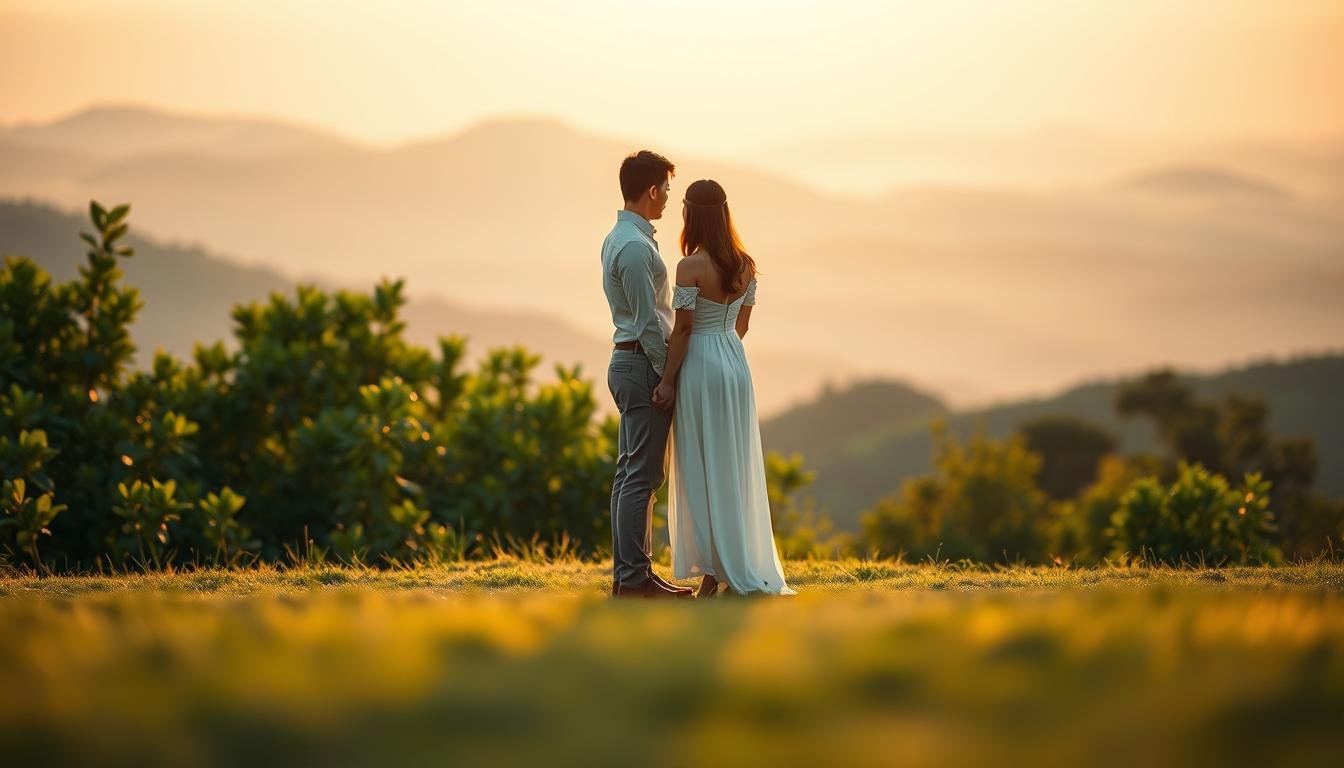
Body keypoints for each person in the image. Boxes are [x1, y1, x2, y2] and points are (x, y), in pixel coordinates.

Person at [658, 179, 795, 598]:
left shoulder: (690, 267)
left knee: (702, 461)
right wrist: (724, 350)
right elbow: (743, 325)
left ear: (691, 214)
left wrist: (667, 380)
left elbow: (682, 328)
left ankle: (714, 571)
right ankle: (736, 564)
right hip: (734, 363)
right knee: (732, 462)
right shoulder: (745, 264)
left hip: (700, 363)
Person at [600, 150, 694, 599]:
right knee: (642, 476)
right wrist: (667, 377)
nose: (667, 201)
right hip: (641, 363)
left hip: (628, 360)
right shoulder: (636, 248)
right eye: (666, 192)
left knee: (630, 474)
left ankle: (632, 574)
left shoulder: (620, 237)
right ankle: (634, 580)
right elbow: (649, 323)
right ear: (652, 190)